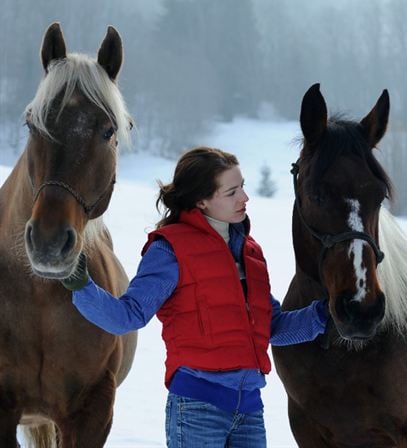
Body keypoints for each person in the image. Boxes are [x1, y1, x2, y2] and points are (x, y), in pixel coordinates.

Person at [63, 146, 328, 447]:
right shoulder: (170, 249)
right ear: (202, 201)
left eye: (242, 187)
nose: (244, 197)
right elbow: (129, 315)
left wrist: (325, 315)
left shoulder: (250, 252)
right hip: (198, 409)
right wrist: (81, 285)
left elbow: (272, 327)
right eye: (231, 192)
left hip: (250, 409)